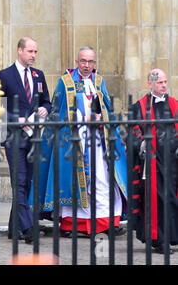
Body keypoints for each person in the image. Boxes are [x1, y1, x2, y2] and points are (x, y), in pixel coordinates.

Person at [37, 46, 127, 237]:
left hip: (98, 139)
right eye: (83, 61)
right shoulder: (65, 81)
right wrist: (82, 118)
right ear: (77, 62)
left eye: (91, 62)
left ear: (94, 63)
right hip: (73, 139)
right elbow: (56, 110)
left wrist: (101, 117)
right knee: (76, 182)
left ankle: (105, 223)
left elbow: (107, 108)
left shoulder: (99, 80)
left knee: (102, 179)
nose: (87, 66)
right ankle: (71, 225)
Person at [0, 37, 52, 243]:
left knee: (26, 184)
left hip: (33, 137)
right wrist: (15, 119)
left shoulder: (38, 75)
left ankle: (14, 228)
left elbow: (47, 100)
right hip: (14, 137)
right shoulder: (5, 75)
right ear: (19, 50)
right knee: (18, 182)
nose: (34, 55)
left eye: (36, 52)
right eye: (30, 51)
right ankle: (28, 228)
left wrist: (46, 108)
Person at [131, 68, 178, 254]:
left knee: (172, 199)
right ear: (150, 83)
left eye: (165, 82)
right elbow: (131, 130)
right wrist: (141, 143)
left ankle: (172, 236)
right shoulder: (140, 106)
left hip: (173, 161)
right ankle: (159, 240)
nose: (164, 85)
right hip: (152, 161)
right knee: (157, 201)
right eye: (160, 82)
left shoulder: (174, 103)